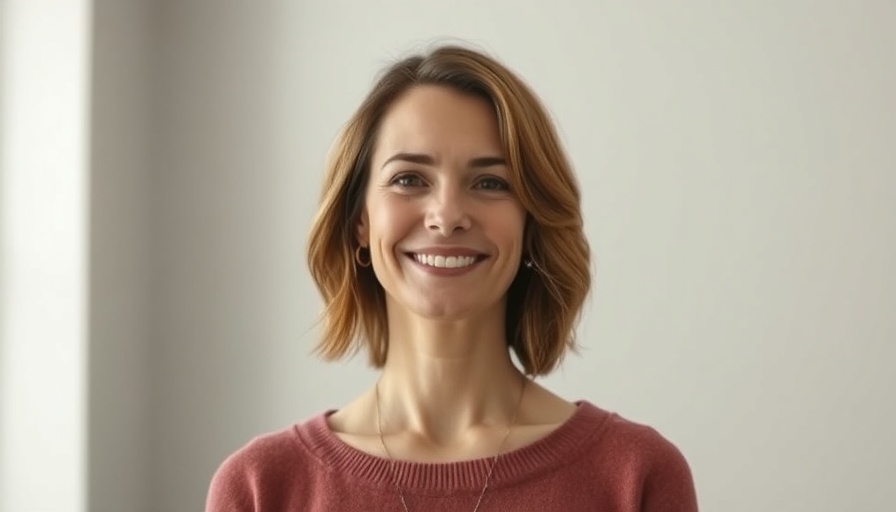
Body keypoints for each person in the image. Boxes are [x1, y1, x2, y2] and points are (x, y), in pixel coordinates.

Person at [206, 44, 698, 512]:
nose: (446, 216)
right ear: (360, 221)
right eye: (409, 179)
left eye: (490, 183)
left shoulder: (635, 475)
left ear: (531, 226)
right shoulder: (261, 485)